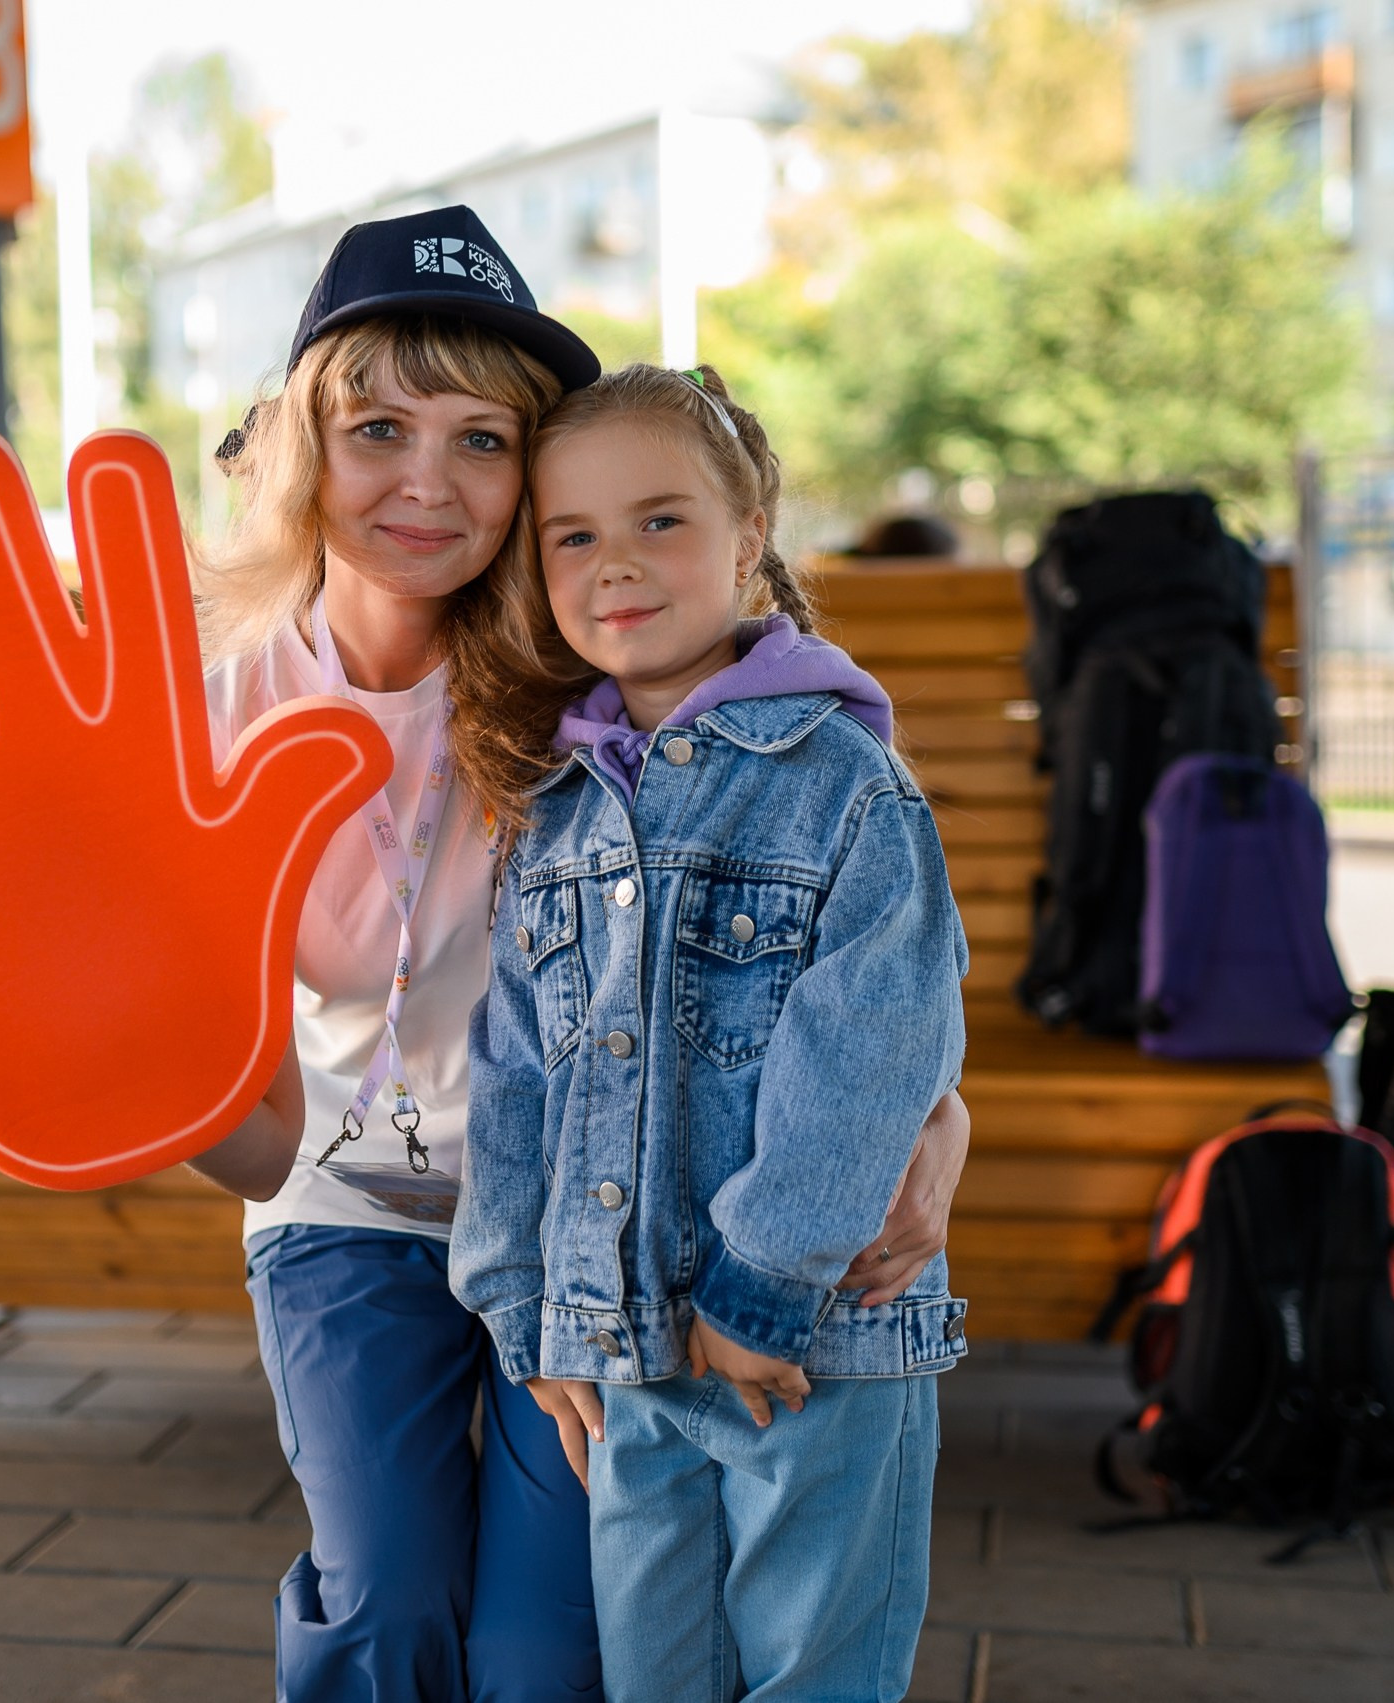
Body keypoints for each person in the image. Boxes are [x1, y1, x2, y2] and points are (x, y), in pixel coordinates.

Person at [180, 207, 971, 1703]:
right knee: (385, 1602)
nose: (428, 480)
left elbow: (862, 930)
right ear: (300, 441)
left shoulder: (597, 675)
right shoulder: (220, 701)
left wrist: (939, 1121)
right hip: (343, 1204)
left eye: (484, 440)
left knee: (551, 1653)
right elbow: (191, 1059)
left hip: (591, 1228)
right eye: (378, 427)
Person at [450, 365, 969, 1703]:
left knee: (811, 1666)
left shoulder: (838, 780)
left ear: (749, 540)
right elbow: (513, 1074)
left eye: (660, 521)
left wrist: (760, 1286)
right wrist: (531, 1306)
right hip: (626, 1340)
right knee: (656, 1669)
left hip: (812, 1336)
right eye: (574, 535)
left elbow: (871, 1046)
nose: (616, 562)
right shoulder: (557, 808)